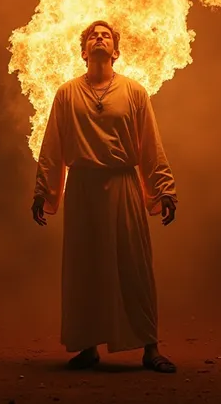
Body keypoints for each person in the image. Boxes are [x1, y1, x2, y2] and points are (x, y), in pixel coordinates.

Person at [31, 21, 178, 373]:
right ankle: (88, 347)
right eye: (92, 35)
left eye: (106, 35)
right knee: (85, 269)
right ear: (83, 52)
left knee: (134, 266)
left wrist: (164, 188)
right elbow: (52, 146)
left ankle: (150, 348)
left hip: (123, 184)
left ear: (116, 50)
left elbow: (150, 147)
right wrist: (42, 190)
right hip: (82, 188)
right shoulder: (66, 93)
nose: (99, 37)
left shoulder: (134, 92)